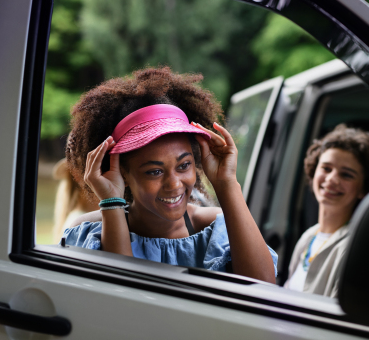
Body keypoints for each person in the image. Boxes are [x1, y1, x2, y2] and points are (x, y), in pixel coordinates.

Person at [63, 67, 277, 283]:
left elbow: (263, 285)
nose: (174, 184)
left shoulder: (217, 229)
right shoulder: (87, 233)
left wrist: (227, 183)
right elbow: (122, 301)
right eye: (155, 171)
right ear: (123, 173)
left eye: (183, 165)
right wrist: (111, 203)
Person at [284, 124, 369, 296]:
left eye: (346, 175)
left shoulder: (354, 249)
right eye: (326, 168)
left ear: (363, 188)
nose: (331, 179)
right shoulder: (308, 237)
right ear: (313, 171)